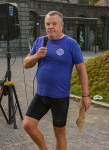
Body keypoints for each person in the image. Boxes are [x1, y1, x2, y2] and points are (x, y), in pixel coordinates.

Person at [23, 11, 91, 150]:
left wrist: (85, 95)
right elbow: (26, 64)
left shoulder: (71, 44)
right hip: (41, 94)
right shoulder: (40, 41)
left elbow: (82, 70)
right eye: (48, 24)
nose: (50, 27)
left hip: (59, 97)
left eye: (54, 24)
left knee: (59, 133)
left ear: (61, 25)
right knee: (28, 125)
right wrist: (37, 55)